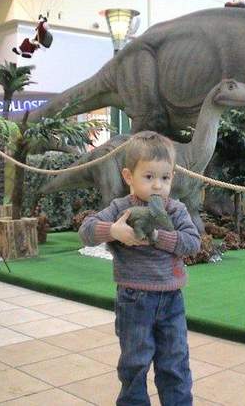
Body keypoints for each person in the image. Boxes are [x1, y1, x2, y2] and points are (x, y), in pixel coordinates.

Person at [79, 131, 201, 405]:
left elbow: (192, 243)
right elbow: (86, 231)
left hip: (171, 299)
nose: (158, 185)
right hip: (133, 301)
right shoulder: (119, 208)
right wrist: (113, 231)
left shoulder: (176, 210)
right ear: (128, 176)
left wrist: (158, 237)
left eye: (165, 178)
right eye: (149, 176)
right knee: (134, 364)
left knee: (175, 364)